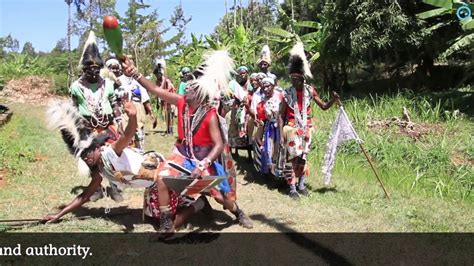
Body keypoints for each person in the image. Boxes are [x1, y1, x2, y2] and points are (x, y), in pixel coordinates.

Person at [122, 50, 253, 229]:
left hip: (204, 159)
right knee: (161, 177)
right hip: (182, 155)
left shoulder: (209, 114)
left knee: (220, 196)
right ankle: (166, 220)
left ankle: (238, 212)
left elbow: (218, 144)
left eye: (192, 86)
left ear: (200, 93)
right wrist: (135, 73)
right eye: (188, 85)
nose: (187, 87)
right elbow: (154, 89)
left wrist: (203, 165)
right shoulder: (180, 102)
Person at [43, 98, 207, 233]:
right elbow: (84, 196)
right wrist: (59, 215)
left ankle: (197, 205)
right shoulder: (98, 168)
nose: (87, 159)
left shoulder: (111, 152)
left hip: (164, 176)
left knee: (166, 226)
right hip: (151, 186)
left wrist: (133, 116)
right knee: (151, 219)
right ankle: (194, 204)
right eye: (83, 157)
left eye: (88, 153)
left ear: (96, 147)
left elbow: (128, 134)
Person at [279, 42, 339, 199]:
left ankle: (302, 184)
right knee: (292, 157)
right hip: (291, 129)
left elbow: (324, 106)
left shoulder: (309, 91)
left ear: (302, 78)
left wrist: (333, 100)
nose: (293, 81)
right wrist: (280, 134)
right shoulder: (287, 93)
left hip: (307, 129)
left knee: (303, 157)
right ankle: (291, 187)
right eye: (291, 78)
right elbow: (280, 115)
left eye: (296, 78)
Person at [69, 31, 122, 202]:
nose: (93, 74)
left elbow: (114, 103)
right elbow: (74, 108)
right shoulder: (76, 87)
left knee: (113, 157)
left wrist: (119, 120)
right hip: (88, 128)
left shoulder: (108, 84)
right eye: (90, 71)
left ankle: (115, 188)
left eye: (97, 70)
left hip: (108, 126)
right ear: (83, 70)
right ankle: (97, 189)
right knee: (92, 160)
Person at [105, 58, 156, 151]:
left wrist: (151, 112)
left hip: (138, 114)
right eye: (127, 67)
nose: (130, 69)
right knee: (127, 141)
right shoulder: (117, 81)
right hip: (124, 115)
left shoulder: (138, 81)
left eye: (132, 66)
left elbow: (144, 97)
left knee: (140, 140)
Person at [250, 77, 284, 174]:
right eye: (264, 87)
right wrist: (258, 122)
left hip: (280, 126)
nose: (265, 89)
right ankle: (269, 172)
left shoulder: (280, 97)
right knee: (268, 150)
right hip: (269, 127)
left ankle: (280, 172)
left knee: (279, 148)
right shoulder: (262, 102)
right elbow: (261, 118)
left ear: (273, 86)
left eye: (268, 86)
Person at [153, 59, 176, 136]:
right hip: (164, 100)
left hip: (170, 99)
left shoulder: (166, 80)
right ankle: (168, 129)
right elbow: (157, 89)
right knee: (166, 114)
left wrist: (163, 91)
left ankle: (171, 129)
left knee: (170, 114)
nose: (157, 76)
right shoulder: (157, 81)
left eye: (157, 75)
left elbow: (170, 88)